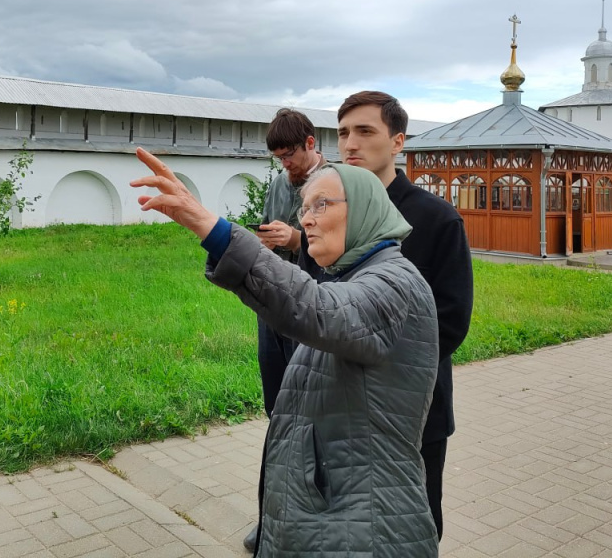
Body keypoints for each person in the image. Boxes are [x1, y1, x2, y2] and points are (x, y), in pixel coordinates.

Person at [132, 147, 440, 557]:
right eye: (304, 208)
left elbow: (315, 307)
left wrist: (214, 229)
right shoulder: (359, 275)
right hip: (335, 509)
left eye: (323, 204)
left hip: (365, 526)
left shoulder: (394, 281)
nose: (306, 219)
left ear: (365, 208)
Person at [334, 90, 474, 540]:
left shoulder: (437, 220)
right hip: (340, 403)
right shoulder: (331, 211)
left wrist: (379, 366)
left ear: (398, 142)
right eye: (342, 134)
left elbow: (450, 322)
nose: (350, 144)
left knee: (414, 521)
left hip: (413, 408)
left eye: (364, 131)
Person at [243, 109, 326, 551]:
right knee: (277, 415)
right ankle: (271, 519)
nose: (285, 165)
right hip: (273, 310)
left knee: (307, 423)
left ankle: (304, 524)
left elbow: (340, 250)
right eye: (278, 157)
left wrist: (294, 241)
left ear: (311, 144)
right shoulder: (280, 184)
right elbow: (272, 238)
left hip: (311, 313)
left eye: (290, 155)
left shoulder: (336, 183)